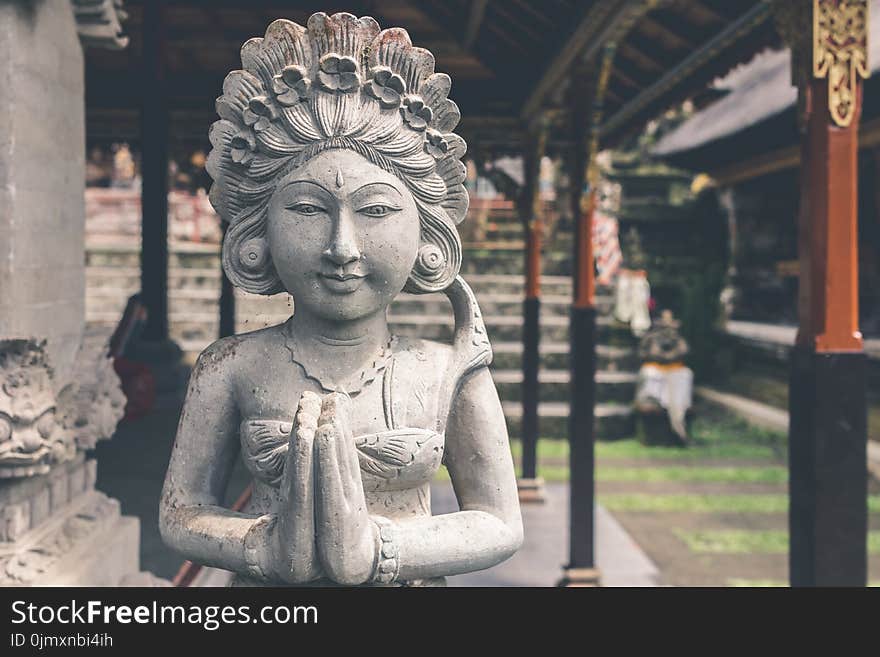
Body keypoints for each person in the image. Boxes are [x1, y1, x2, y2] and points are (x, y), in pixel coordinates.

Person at [159, 12, 522, 587]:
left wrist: (380, 549)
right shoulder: (230, 367)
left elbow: (498, 520)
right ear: (260, 233)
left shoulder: (446, 370)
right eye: (306, 210)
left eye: (377, 210)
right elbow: (181, 514)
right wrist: (263, 547)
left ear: (426, 234)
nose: (342, 248)